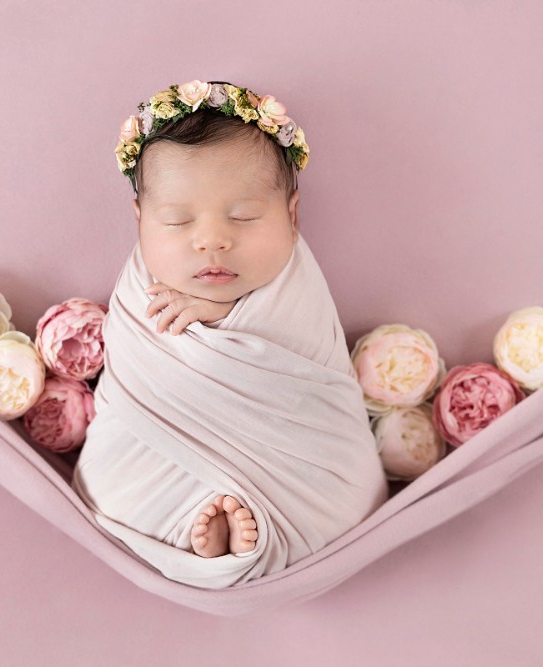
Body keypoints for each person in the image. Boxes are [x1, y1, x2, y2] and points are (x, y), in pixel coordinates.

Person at [72, 80, 385, 588]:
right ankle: (214, 536)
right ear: (140, 221)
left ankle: (236, 538)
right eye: (176, 221)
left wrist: (219, 311)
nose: (212, 239)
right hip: (150, 479)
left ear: (291, 215)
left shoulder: (296, 284)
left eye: (243, 216)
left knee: (332, 500)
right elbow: (139, 356)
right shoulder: (139, 289)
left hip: (305, 483)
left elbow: (299, 343)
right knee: (120, 481)